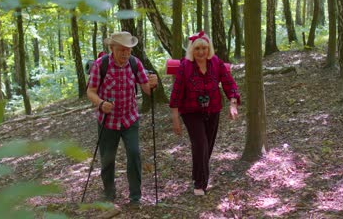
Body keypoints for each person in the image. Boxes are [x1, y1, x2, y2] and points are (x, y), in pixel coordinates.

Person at [87, 31, 158, 205]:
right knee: (107, 159)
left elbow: (147, 89)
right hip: (107, 121)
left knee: (134, 154)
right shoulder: (100, 65)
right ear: (112, 48)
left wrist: (154, 84)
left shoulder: (135, 63)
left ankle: (135, 197)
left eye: (128, 50)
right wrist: (101, 103)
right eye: (121, 50)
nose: (126, 54)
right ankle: (109, 194)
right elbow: (90, 91)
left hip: (129, 119)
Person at [169, 31, 240, 196]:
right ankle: (200, 184)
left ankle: (197, 175)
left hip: (213, 109)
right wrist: (175, 118)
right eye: (197, 49)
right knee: (201, 144)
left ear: (209, 49)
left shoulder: (216, 62)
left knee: (207, 146)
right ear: (191, 50)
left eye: (204, 48)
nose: (201, 52)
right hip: (191, 111)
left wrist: (233, 103)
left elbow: (229, 82)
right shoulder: (185, 66)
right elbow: (176, 93)